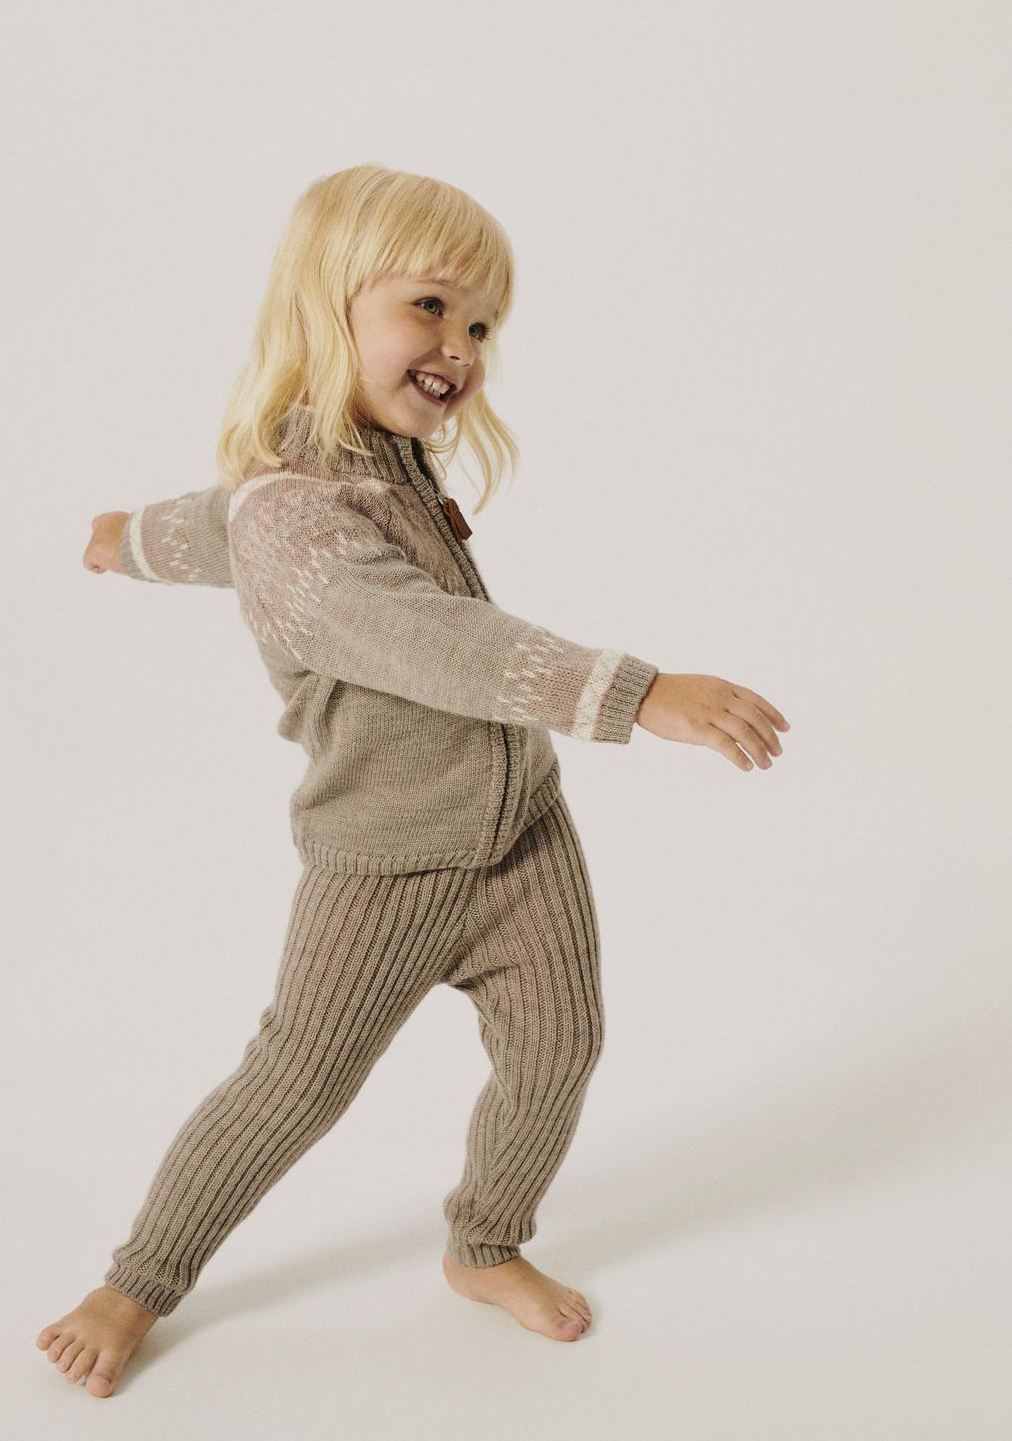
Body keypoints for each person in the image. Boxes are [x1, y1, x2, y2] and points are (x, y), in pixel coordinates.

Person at [38, 163, 790, 1398]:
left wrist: (131, 539)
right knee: (293, 1086)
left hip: (520, 833)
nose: (461, 348)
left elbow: (208, 523)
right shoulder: (292, 516)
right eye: (431, 307)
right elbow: (434, 639)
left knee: (560, 1047)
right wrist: (638, 693)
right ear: (324, 305)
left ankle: (484, 1245)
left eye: (483, 324)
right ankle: (138, 1281)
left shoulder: (378, 465)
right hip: (385, 860)